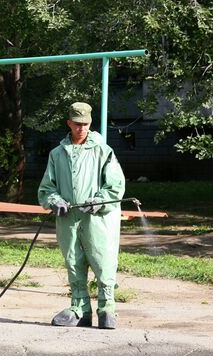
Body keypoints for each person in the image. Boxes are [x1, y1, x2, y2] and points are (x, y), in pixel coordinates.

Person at [38, 102, 125, 329]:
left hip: (98, 218)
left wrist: (98, 201)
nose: (81, 128)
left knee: (103, 260)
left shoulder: (103, 151)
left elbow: (115, 186)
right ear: (69, 123)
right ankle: (80, 309)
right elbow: (47, 188)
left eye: (85, 124)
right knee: (73, 261)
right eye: (77, 124)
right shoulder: (57, 154)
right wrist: (55, 201)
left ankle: (107, 309)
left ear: (90, 123)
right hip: (69, 219)